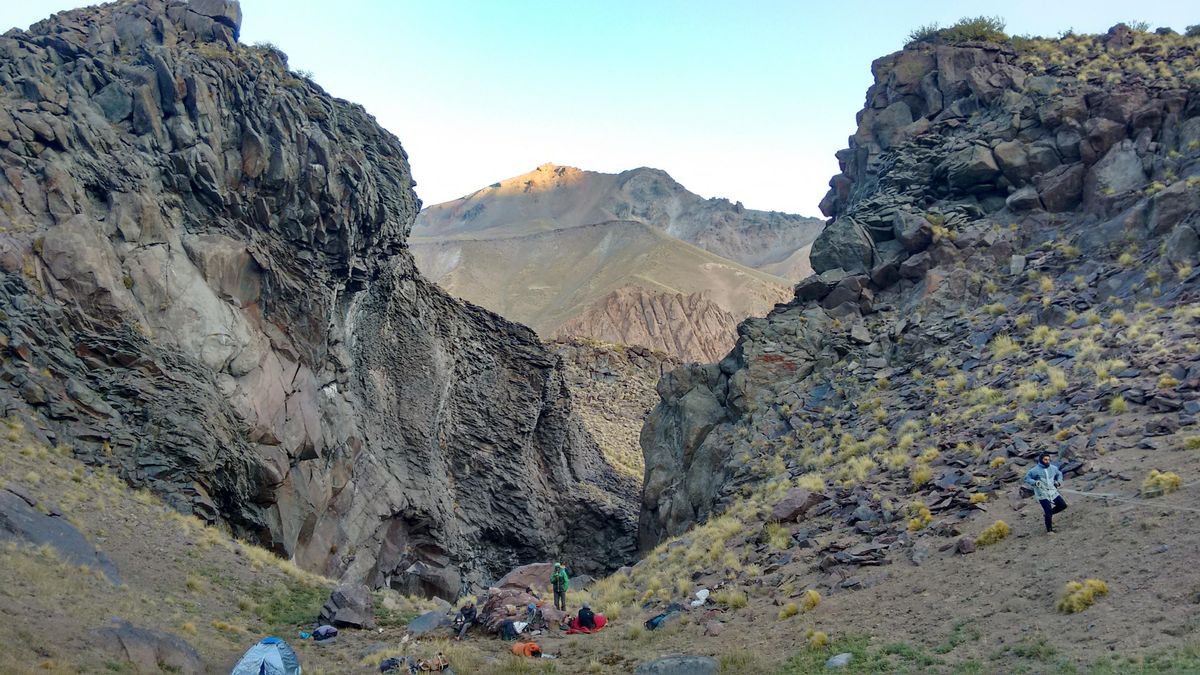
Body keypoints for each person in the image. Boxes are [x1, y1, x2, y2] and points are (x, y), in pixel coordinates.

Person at [1025, 453, 1067, 533]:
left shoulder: (1053, 468)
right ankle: (1049, 530)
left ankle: (1048, 515)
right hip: (1042, 493)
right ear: (1041, 460)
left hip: (1052, 491)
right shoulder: (1034, 470)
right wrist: (1035, 482)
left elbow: (1059, 474)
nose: (1047, 461)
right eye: (1045, 459)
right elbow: (1027, 478)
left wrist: (1058, 482)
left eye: (1048, 459)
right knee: (1048, 511)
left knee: (1062, 505)